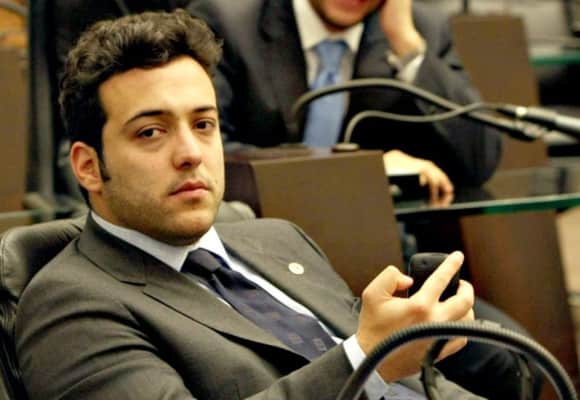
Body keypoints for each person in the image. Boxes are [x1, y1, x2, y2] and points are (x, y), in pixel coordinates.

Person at [14, 9, 483, 400]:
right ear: (88, 166)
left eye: (203, 125)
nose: (191, 153)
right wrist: (368, 359)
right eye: (151, 132)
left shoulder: (279, 238)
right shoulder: (71, 305)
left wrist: (386, 352)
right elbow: (374, 364)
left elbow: (417, 386)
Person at [187, 0, 503, 202]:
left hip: (375, 247)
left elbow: (479, 160)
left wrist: (407, 48)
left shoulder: (419, 30)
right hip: (257, 240)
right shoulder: (227, 22)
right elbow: (203, 151)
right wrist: (357, 170)